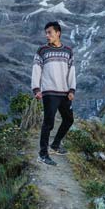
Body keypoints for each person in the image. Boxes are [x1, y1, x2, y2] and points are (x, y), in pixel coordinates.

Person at [31, 21, 76, 166]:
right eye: (46, 33)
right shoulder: (42, 50)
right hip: (50, 92)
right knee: (48, 123)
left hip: (64, 93)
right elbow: (36, 70)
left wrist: (72, 89)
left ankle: (55, 145)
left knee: (69, 119)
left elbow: (72, 72)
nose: (47, 35)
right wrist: (36, 89)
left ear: (58, 33)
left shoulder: (68, 51)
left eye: (49, 32)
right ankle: (42, 154)